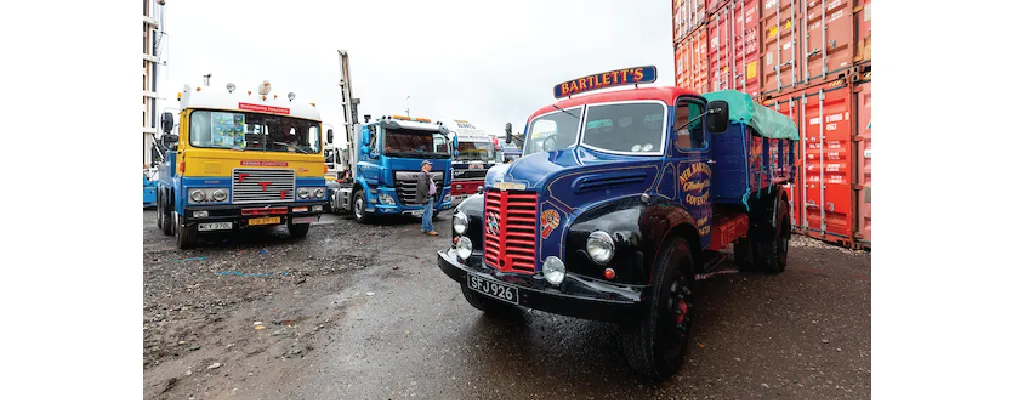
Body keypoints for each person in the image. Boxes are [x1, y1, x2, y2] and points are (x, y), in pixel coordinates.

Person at [416, 160, 438, 236]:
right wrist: (428, 195)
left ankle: (424, 228)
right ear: (424, 166)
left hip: (426, 197)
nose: (431, 166)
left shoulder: (425, 174)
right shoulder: (423, 175)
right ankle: (430, 229)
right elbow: (423, 187)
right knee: (429, 214)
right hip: (427, 197)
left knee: (425, 213)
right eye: (429, 165)